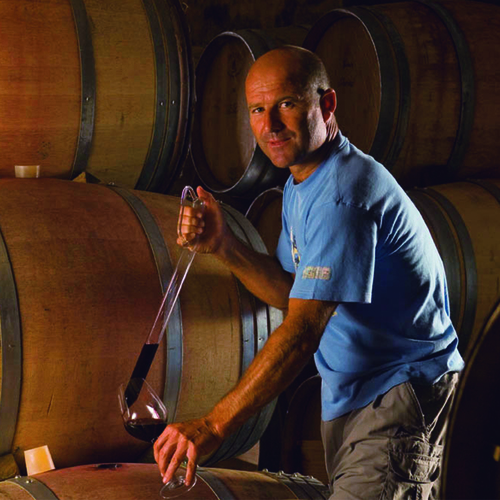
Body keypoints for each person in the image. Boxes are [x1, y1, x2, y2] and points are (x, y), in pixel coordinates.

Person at [153, 45, 464, 499]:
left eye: (286, 104)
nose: (270, 125)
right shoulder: (303, 182)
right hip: (359, 395)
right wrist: (224, 245)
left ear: (327, 103)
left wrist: (214, 425)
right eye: (257, 110)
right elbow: (291, 292)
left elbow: (302, 330)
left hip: (399, 393)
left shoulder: (342, 193)